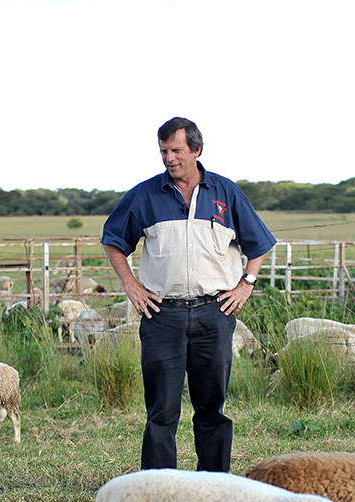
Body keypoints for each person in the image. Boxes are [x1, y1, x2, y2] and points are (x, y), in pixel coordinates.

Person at [101, 116, 277, 473]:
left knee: (212, 407)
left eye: (176, 150)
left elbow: (258, 243)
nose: (169, 158)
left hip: (215, 313)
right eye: (164, 150)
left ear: (196, 150)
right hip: (161, 315)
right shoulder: (145, 195)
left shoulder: (225, 193)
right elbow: (113, 241)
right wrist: (131, 284)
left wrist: (247, 283)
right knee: (162, 411)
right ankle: (159, 486)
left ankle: (214, 483)